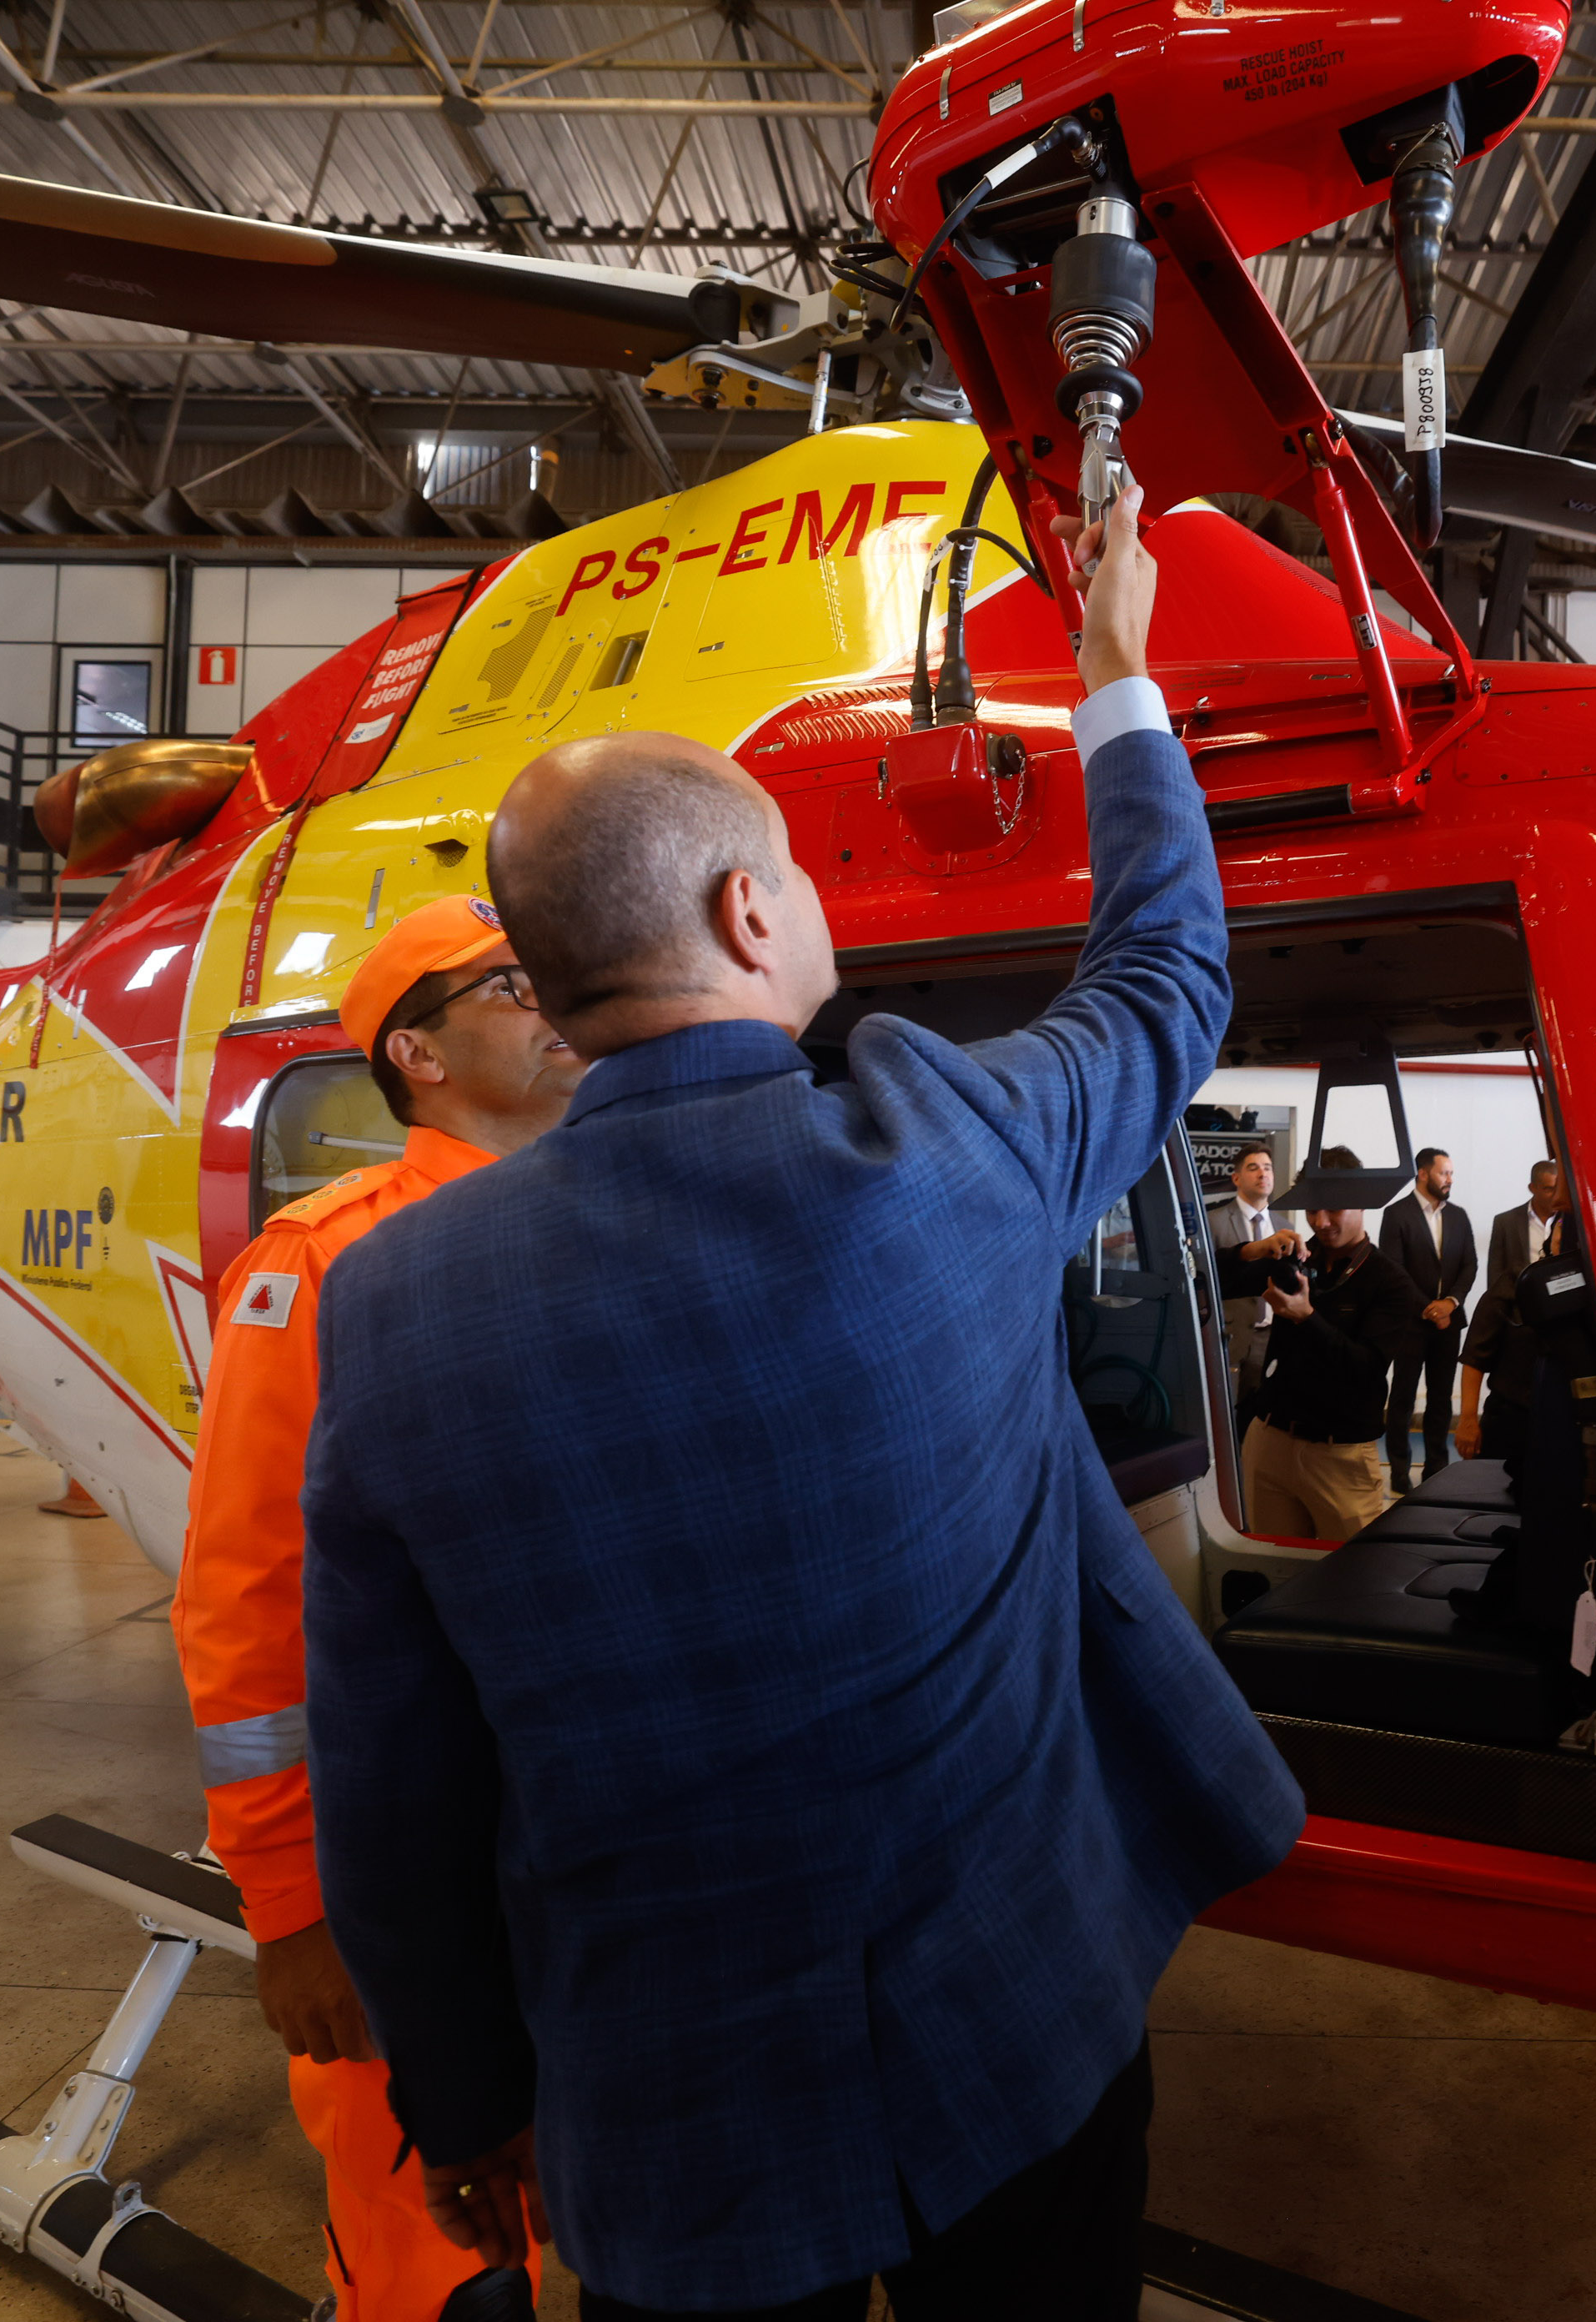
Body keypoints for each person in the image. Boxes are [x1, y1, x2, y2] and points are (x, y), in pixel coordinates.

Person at [297, 485, 1302, 2321]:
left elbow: (391, 1784)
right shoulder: (958, 1138)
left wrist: (467, 2094)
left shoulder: (393, 1304)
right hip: (1023, 2037)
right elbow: (1167, 971)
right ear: (749, 909)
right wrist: (1117, 673)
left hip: (671, 2117)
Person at [175, 893, 581, 2322]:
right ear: (418, 1050)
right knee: (437, 2248)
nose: (554, 998)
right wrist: (292, 1905)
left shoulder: (620, 1221)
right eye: (511, 983)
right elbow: (246, 1599)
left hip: (595, 1848)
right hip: (418, 1866)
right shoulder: (320, 1263)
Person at [1233, 1145, 1424, 1540]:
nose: (1320, 1222)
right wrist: (1253, 1250)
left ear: (1362, 1203)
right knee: (1274, 1567)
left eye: (1334, 1209)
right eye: (1312, 1209)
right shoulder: (1295, 1260)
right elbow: (1214, 1280)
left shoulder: (1390, 1281)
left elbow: (1365, 1368)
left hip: (1341, 1456)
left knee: (1353, 1573)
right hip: (1270, 1442)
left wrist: (1307, 1317)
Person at [1377, 1147, 1477, 1492]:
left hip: (1449, 1324)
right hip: (1410, 1323)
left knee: (1440, 1398)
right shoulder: (1396, 1214)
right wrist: (1429, 1309)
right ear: (1423, 1174)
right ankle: (1399, 1469)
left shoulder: (1459, 1216)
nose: (1450, 1180)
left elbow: (1469, 1265)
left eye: (1451, 1174)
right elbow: (1394, 1269)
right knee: (1403, 1397)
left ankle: (1436, 1468)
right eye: (1443, 1173)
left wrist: (1450, 1303)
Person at [1456, 1158, 1568, 1463]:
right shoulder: (1511, 1283)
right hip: (1511, 1409)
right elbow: (1476, 1355)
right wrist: (1468, 1419)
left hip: (1561, 1415)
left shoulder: (1586, 1290)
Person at [1204, 1144, 1295, 1422]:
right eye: (1253, 1168)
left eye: (1267, 1168)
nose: (1262, 1174)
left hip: (1269, 1337)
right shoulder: (1213, 1221)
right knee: (1222, 1416)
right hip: (1226, 1335)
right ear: (1236, 1178)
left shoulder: (1285, 1226)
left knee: (1259, 1418)